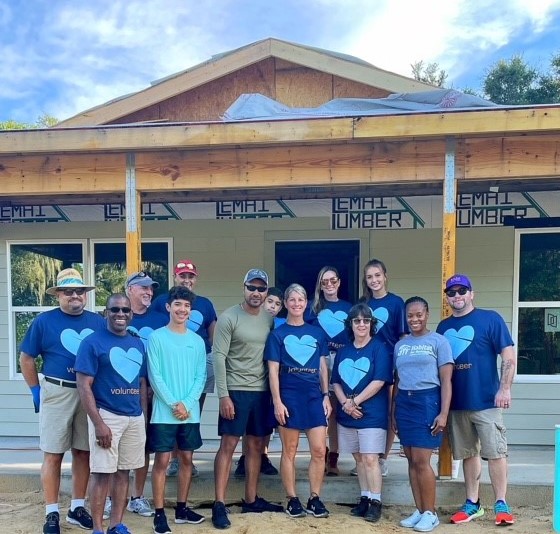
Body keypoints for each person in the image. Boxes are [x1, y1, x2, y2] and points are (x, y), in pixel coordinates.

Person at [19, 268, 105, 534]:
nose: (75, 296)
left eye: (79, 291)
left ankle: (77, 507)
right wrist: (36, 389)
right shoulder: (44, 322)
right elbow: (27, 358)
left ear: (85, 295)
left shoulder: (98, 322)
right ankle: (51, 511)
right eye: (68, 292)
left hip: (88, 393)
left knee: (83, 452)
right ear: (58, 295)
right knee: (53, 453)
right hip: (57, 391)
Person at [437, 274, 516, 526]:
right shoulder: (443, 327)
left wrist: (504, 389)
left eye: (462, 291)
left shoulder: (490, 319)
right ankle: (473, 503)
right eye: (452, 292)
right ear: (447, 297)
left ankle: (501, 503)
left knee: (496, 453)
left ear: (472, 294)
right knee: (468, 454)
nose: (457, 296)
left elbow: (509, 356)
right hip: (458, 405)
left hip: (487, 402)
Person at [211, 269, 284, 529]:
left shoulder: (269, 319)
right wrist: (223, 395)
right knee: (228, 446)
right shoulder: (229, 317)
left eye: (261, 289)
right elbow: (218, 356)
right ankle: (219, 504)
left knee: (255, 448)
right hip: (235, 391)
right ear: (244, 288)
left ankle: (251, 499)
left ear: (267, 292)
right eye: (251, 288)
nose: (256, 293)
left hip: (262, 392)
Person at [75, 293, 148, 534]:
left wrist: (142, 418)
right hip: (107, 415)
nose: (120, 314)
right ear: (106, 312)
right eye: (114, 309)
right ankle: (98, 528)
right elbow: (84, 385)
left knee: (123, 472)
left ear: (131, 313)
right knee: (102, 473)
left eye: (125, 310)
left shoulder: (137, 343)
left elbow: (141, 383)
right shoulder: (92, 342)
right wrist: (98, 424)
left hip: (133, 417)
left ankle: (117, 524)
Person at [265, 283, 331, 519]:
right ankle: (292, 498)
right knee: (289, 450)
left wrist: (326, 395)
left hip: (314, 396)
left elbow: (323, 366)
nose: (296, 304)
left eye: (300, 299)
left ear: (306, 303)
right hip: (289, 395)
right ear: (285, 303)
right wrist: (277, 401)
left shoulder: (317, 333)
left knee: (318, 450)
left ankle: (315, 497)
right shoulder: (277, 334)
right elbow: (273, 371)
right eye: (291, 300)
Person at [147, 286, 207, 533]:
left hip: (189, 412)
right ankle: (159, 513)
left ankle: (182, 509)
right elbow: (155, 375)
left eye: (187, 306)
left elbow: (200, 376)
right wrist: (174, 404)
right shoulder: (156, 338)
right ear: (168, 307)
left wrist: (187, 404)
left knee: (186, 458)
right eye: (178, 305)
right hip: (164, 412)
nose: (182, 310)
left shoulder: (197, 341)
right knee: (162, 460)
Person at [392, 296, 453, 532]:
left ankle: (431, 512)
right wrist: (393, 411)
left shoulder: (439, 341)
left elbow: (447, 381)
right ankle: (419, 510)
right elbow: (397, 380)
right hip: (404, 402)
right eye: (410, 315)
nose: (414, 319)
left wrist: (443, 413)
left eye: (419, 314)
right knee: (409, 458)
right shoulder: (401, 345)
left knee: (421, 460)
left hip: (427, 401)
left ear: (427, 314)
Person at [152, 259, 217, 478]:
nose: (187, 280)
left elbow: (212, 332)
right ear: (175, 277)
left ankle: (186, 459)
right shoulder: (162, 301)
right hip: (169, 360)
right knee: (170, 409)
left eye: (190, 276)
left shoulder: (205, 303)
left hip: (198, 359)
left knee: (191, 406)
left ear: (195, 278)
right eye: (182, 276)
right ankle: (172, 459)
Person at [331, 303, 392, 523]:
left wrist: (353, 402)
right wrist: (345, 404)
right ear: (351, 324)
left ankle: (376, 501)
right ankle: (364, 498)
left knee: (370, 458)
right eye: (357, 320)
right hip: (348, 414)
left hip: (372, 414)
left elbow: (378, 382)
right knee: (357, 458)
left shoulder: (379, 348)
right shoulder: (343, 351)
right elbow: (335, 382)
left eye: (366, 320)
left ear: (371, 324)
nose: (362, 324)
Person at [123, 271, 168, 518]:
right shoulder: (116, 317)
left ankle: (137, 497)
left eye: (151, 288)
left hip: (154, 393)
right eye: (143, 288)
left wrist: (156, 388)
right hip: (120, 393)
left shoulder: (162, 320)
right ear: (130, 289)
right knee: (116, 446)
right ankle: (111, 498)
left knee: (145, 446)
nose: (148, 292)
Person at [360, 258, 408, 476]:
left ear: (385, 276)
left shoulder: (397, 303)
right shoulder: (363, 304)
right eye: (369, 277)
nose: (374, 280)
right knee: (370, 410)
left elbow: (403, 336)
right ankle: (367, 458)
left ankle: (382, 458)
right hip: (365, 364)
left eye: (377, 275)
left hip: (389, 364)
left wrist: (402, 365)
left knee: (388, 411)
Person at [305, 266, 351, 476]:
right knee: (322, 410)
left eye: (333, 280)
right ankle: (319, 453)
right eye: (325, 282)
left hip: (342, 361)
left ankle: (334, 456)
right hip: (319, 361)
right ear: (320, 285)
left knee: (335, 412)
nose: (330, 285)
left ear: (339, 282)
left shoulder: (349, 308)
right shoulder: (312, 309)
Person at [234, 287, 284, 477]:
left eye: (277, 304)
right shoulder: (251, 321)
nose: (273, 306)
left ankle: (263, 455)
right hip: (250, 379)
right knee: (249, 424)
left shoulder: (278, 325)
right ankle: (245, 457)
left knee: (265, 422)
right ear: (263, 301)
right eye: (270, 301)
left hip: (271, 378)